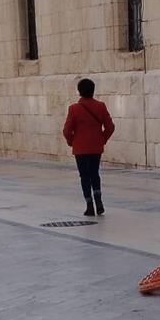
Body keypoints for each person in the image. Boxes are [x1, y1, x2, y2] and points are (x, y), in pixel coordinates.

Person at [62, 77, 114, 217]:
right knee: (94, 173)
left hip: (80, 148)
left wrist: (71, 141)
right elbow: (110, 126)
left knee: (84, 176)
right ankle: (99, 200)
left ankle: (89, 204)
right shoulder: (100, 106)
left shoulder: (74, 108)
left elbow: (66, 130)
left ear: (79, 91)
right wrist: (102, 139)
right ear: (93, 90)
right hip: (95, 147)